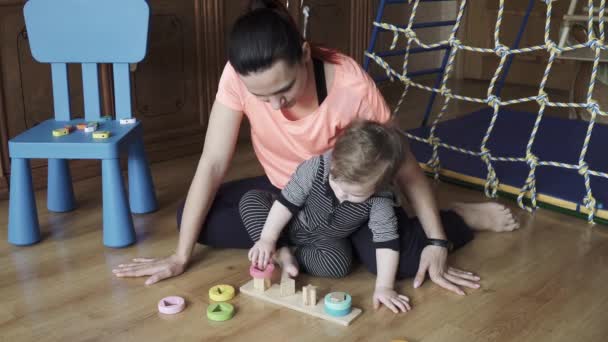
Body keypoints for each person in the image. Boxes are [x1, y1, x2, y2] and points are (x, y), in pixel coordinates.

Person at [112, 0, 519, 297]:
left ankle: (460, 217)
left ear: (305, 55)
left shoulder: (351, 84)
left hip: (349, 198)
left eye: (284, 89)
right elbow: (214, 161)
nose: (273, 105)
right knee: (191, 218)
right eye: (260, 96)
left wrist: (437, 239)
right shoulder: (237, 76)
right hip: (288, 192)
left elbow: (405, 164)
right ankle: (294, 245)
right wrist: (180, 257)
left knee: (402, 264)